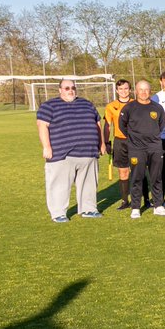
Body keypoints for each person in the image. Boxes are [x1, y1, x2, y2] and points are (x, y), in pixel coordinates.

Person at [36, 79, 105, 222]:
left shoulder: (87, 104)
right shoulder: (49, 106)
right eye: (66, 88)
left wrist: (101, 143)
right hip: (62, 154)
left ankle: (89, 209)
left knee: (89, 185)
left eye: (73, 87)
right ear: (60, 90)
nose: (70, 90)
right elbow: (42, 125)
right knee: (59, 186)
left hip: (88, 153)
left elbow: (97, 123)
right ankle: (58, 213)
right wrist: (46, 147)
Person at [119, 80, 165, 217]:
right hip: (136, 148)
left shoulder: (157, 108)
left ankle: (158, 205)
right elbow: (122, 125)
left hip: (155, 147)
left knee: (156, 176)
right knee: (137, 177)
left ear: (150, 91)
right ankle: (135, 207)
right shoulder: (129, 108)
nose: (143, 92)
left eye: (146, 89)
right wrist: (134, 138)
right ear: (136, 91)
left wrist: (151, 138)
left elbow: (161, 125)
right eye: (140, 90)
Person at [102, 78, 134, 209]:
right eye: (120, 89)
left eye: (126, 88)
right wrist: (106, 141)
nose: (123, 91)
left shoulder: (136, 103)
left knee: (139, 171)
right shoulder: (111, 106)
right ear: (116, 90)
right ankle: (125, 201)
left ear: (130, 90)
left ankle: (145, 199)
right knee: (123, 172)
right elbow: (107, 125)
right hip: (120, 142)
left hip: (135, 141)